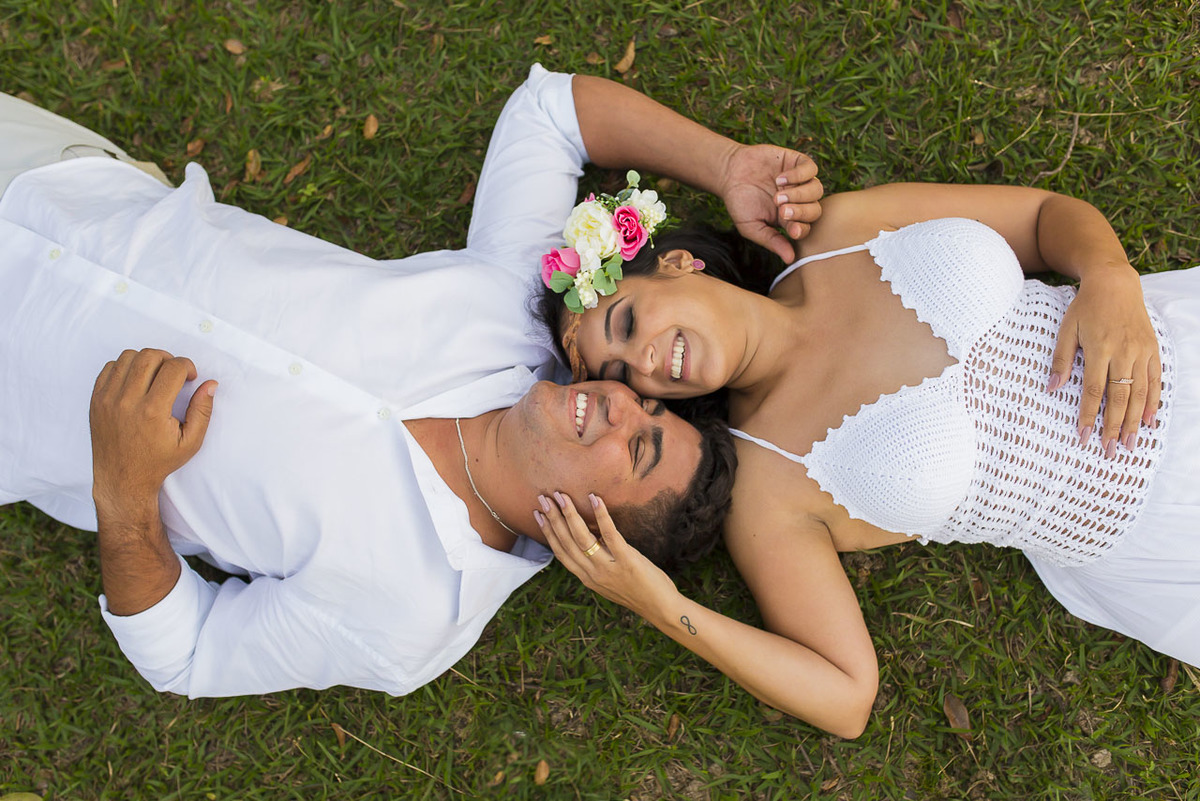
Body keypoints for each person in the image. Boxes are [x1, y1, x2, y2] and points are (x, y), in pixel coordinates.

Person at [0, 65, 823, 698]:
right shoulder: (513, 313)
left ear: (596, 536)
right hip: (54, 186)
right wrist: (727, 165)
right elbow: (548, 112)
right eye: (647, 403)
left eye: (638, 446)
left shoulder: (409, 615)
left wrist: (126, 493)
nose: (620, 401)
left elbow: (186, 655)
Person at [535, 174, 1197, 739]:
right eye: (623, 375)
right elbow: (847, 696)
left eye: (626, 323)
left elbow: (1044, 216)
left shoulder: (842, 230)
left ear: (676, 263)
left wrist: (1109, 274)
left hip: (1177, 350)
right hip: (1162, 536)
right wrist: (661, 605)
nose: (645, 362)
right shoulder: (767, 491)